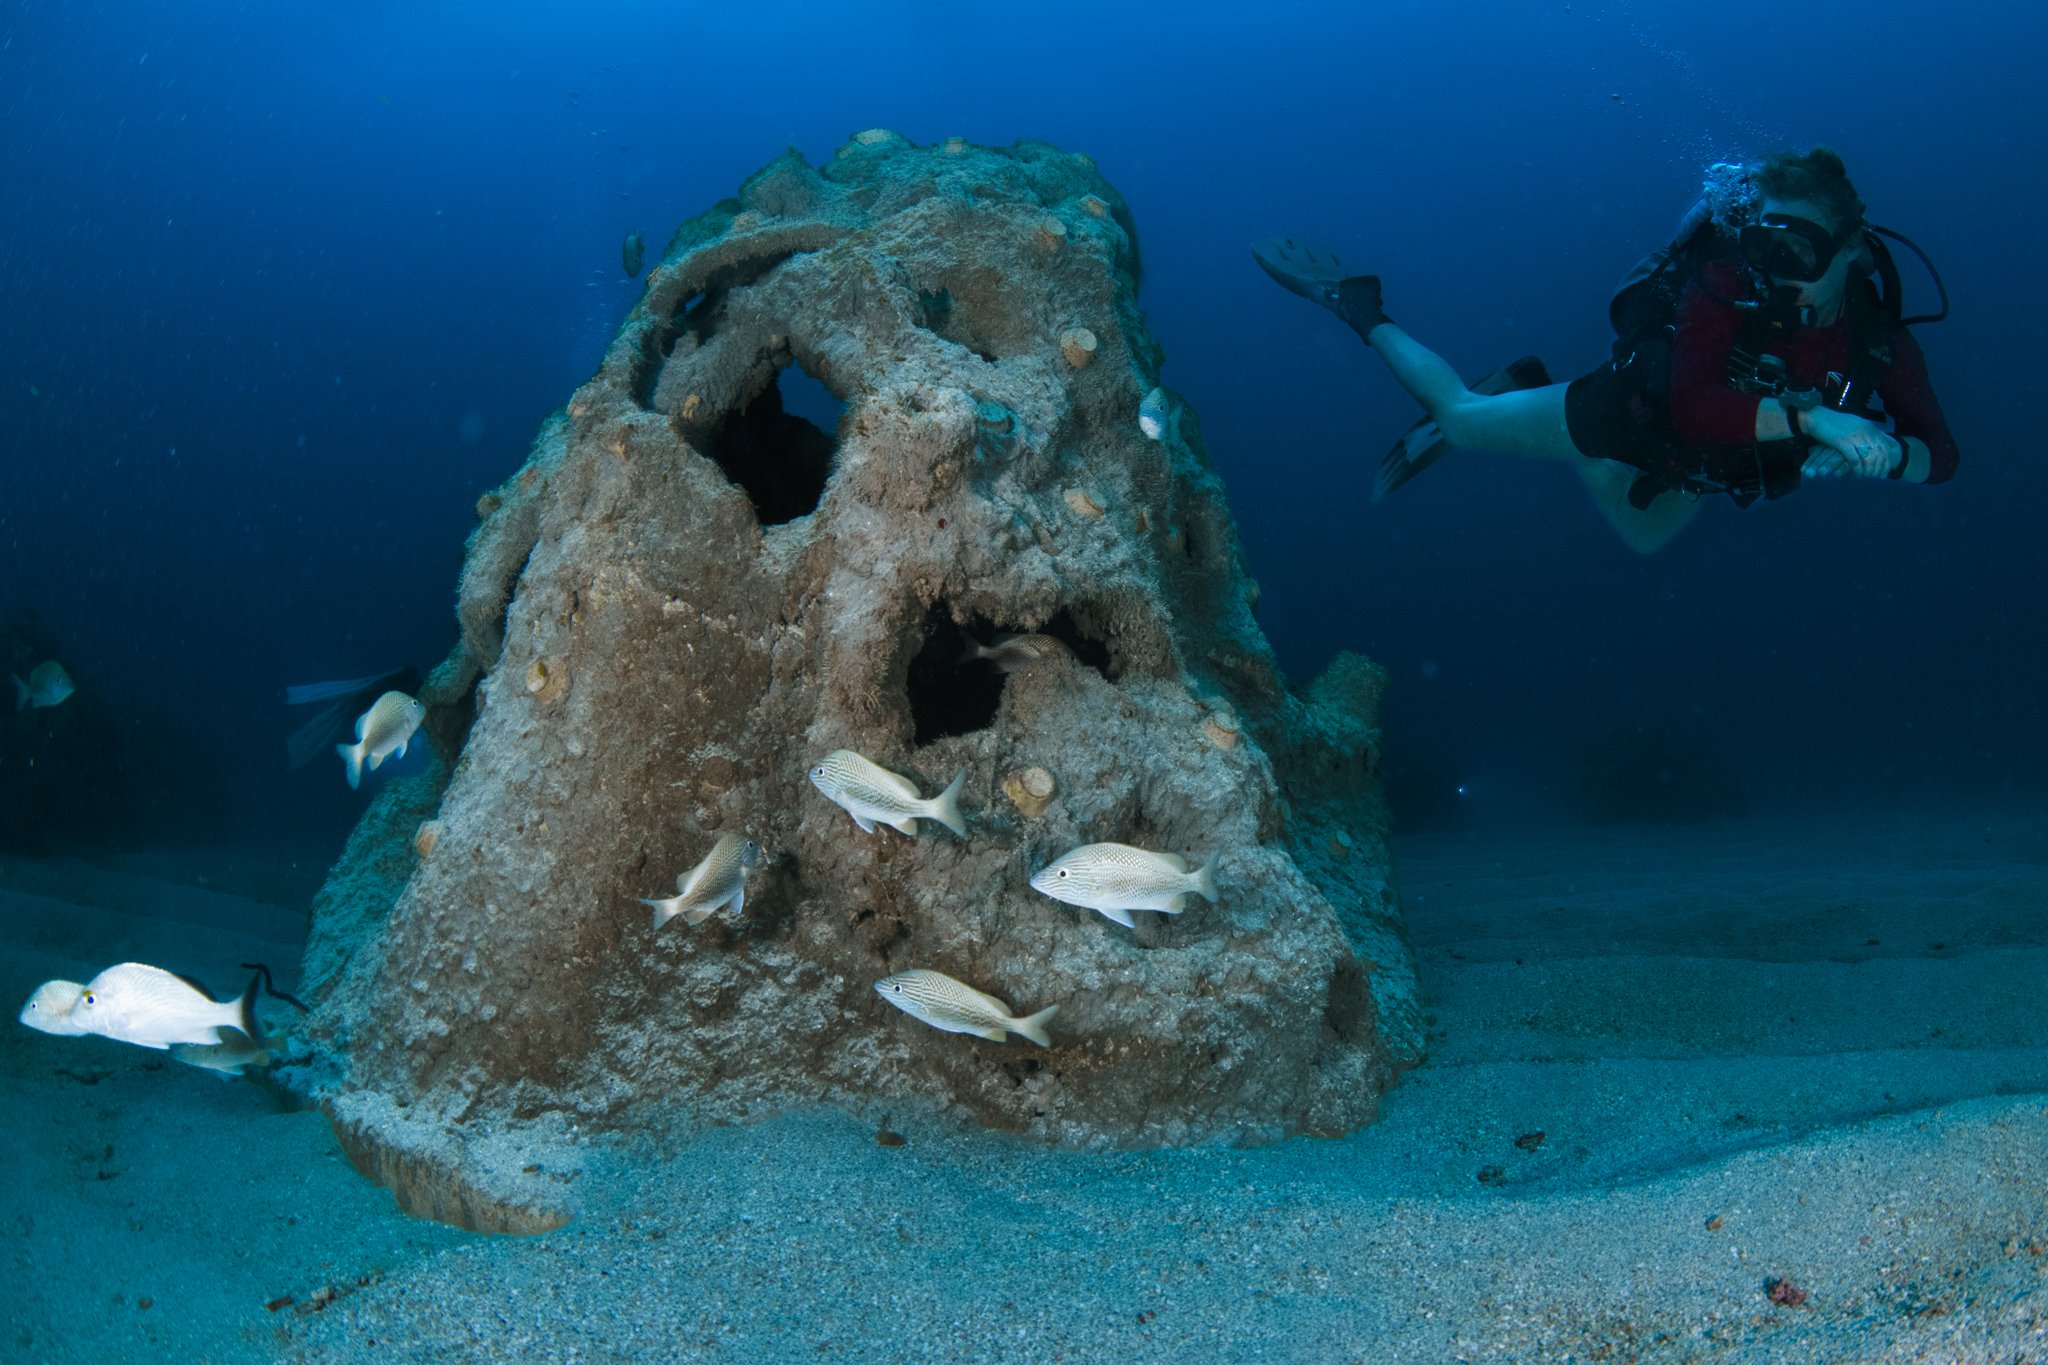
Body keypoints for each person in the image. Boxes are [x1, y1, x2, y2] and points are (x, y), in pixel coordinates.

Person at [1256, 148, 1960, 553]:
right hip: (1635, 412)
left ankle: (1529, 385)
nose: (1775, 273)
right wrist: (1815, 421)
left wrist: (1884, 453)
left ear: (1853, 251)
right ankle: (1355, 303)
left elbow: (1941, 455)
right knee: (1463, 418)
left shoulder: (1877, 341)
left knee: (1643, 539)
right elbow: (1692, 406)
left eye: (1799, 251)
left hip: (1703, 467)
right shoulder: (1723, 282)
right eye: (1762, 247)